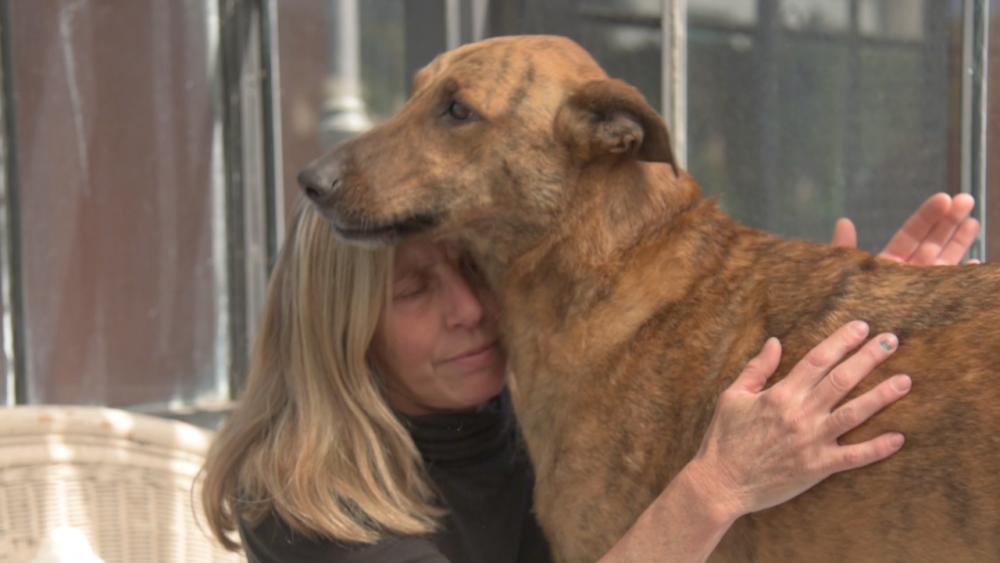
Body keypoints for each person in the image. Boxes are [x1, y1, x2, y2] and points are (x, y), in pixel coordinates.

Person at [200, 193, 980, 563]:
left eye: (476, 269)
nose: (471, 308)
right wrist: (718, 485)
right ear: (341, 331)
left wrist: (849, 338)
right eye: (413, 290)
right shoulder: (314, 511)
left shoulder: (521, 412)